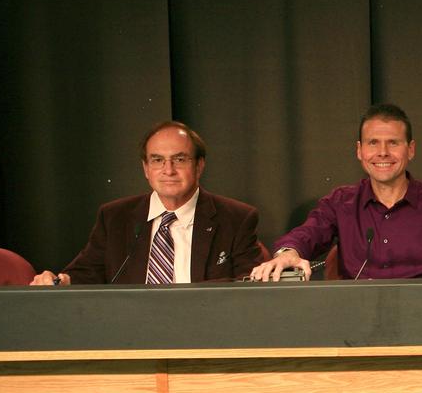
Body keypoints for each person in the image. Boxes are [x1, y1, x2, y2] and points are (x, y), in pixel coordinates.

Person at [251, 104, 422, 281]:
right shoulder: (341, 202)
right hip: (356, 325)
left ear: (411, 150)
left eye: (393, 143)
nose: (382, 152)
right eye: (373, 143)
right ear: (359, 151)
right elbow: (307, 234)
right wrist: (289, 252)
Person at [31, 121, 262, 285]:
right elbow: (87, 272)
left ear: (199, 166)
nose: (168, 170)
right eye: (158, 160)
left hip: (204, 332)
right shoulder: (114, 217)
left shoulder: (236, 218)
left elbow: (248, 283)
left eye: (179, 159)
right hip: (129, 334)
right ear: (146, 169)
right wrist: (60, 281)